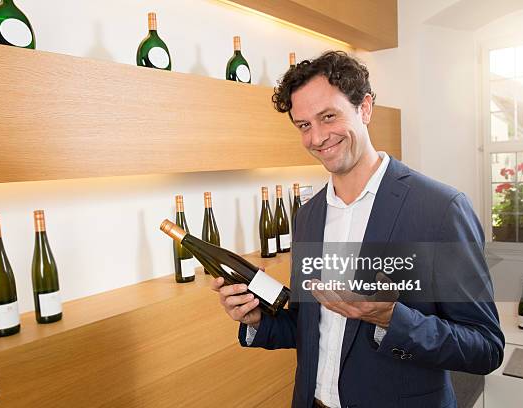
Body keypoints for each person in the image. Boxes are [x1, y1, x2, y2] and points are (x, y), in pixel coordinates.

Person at [210, 51, 505, 408]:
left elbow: (485, 347)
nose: (317, 137)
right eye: (304, 125)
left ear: (364, 108)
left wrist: (392, 319)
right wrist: (258, 319)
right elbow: (311, 326)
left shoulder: (440, 209)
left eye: (328, 116)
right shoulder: (309, 215)